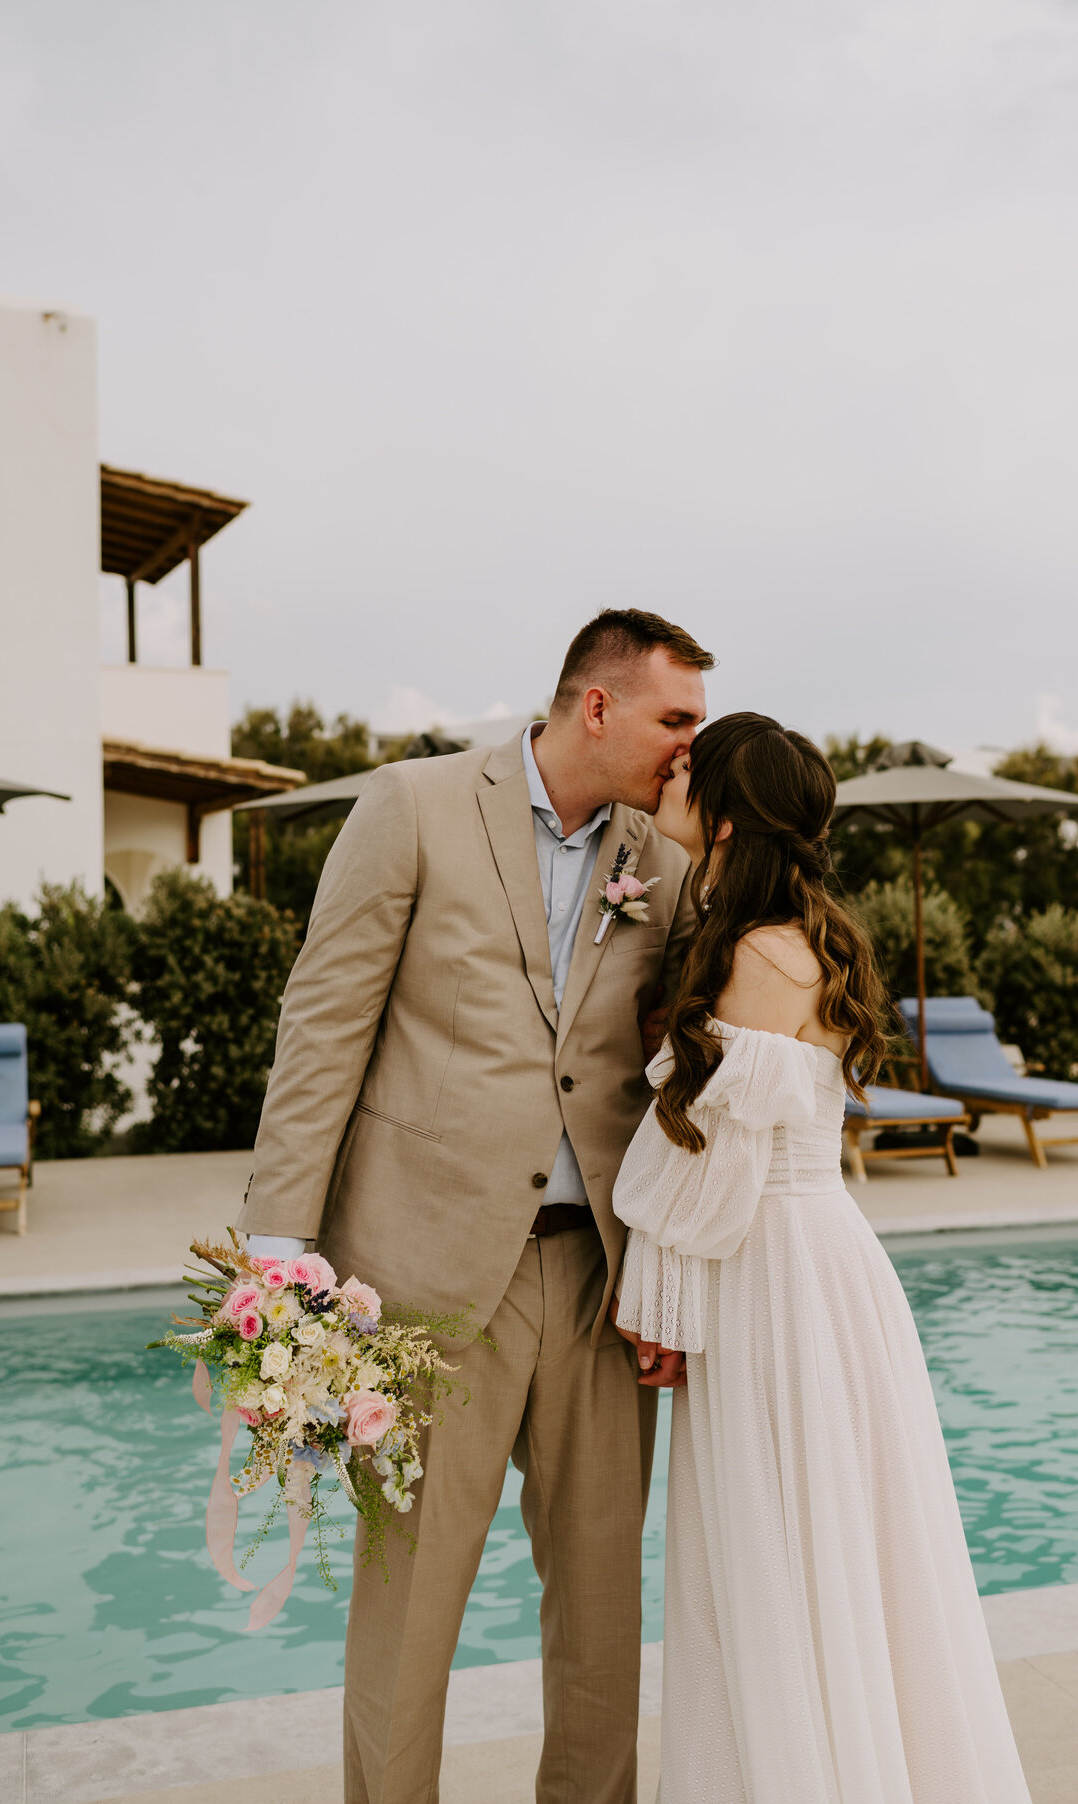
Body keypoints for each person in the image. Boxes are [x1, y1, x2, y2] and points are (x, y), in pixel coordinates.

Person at [238, 608, 713, 1804]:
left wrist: (676, 1277)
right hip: (426, 1279)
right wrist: (279, 1252)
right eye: (677, 719)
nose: (688, 747)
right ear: (596, 705)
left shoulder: (669, 854)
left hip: (602, 1281)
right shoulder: (413, 805)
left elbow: (688, 1065)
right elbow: (326, 1023)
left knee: (602, 1610)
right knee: (408, 1610)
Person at [612, 714, 1032, 1804]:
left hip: (774, 1273)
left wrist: (648, 1293)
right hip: (805, 1256)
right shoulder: (787, 930)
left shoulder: (756, 952)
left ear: (731, 815)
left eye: (693, 766)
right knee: (830, 1550)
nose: (674, 769)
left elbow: (702, 1168)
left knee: (779, 1558)